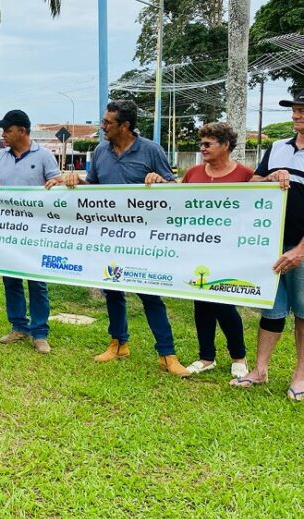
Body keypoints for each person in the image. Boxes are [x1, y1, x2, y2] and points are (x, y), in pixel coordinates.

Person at [65, 99, 190, 376]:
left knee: (149, 294)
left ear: (125, 125)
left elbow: (173, 188)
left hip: (142, 239)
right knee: (112, 289)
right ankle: (118, 343)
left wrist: (161, 181)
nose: (102, 127)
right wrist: (75, 181)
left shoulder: (151, 150)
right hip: (110, 236)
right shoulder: (100, 152)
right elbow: (93, 188)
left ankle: (167, 353)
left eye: (108, 122)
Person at [231, 88, 304, 400]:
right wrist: (271, 176)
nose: (295, 114)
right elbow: (253, 184)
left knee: (303, 313)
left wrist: (300, 250)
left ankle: (301, 376)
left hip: (300, 250)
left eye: (302, 110)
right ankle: (260, 370)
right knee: (271, 310)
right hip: (272, 245)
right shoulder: (276, 148)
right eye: (294, 109)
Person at [0, 110, 63, 354]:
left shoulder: (45, 156)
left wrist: (57, 183)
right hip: (9, 230)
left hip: (37, 231)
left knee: (37, 282)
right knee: (11, 279)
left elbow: (57, 185)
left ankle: (40, 332)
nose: (3, 135)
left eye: (7, 130)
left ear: (22, 131)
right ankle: (18, 326)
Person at [181, 122, 253, 377]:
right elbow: (178, 206)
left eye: (208, 144)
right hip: (198, 250)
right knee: (201, 303)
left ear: (225, 145)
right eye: (201, 143)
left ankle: (239, 357)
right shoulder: (192, 174)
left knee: (223, 303)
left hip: (230, 251)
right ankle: (206, 357)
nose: (202, 148)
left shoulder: (245, 175)